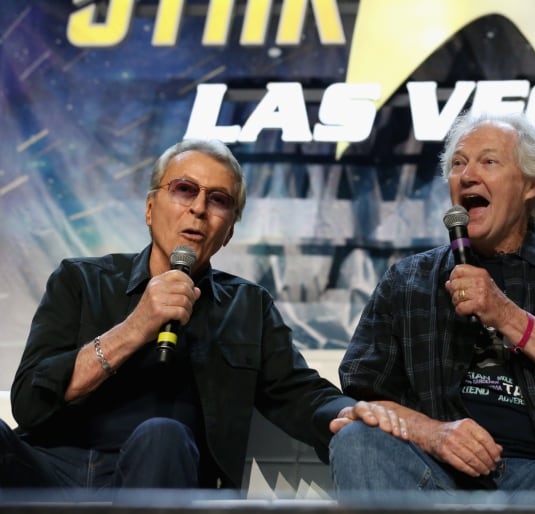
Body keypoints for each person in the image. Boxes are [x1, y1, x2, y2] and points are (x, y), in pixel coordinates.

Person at [0, 139, 405, 501]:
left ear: (228, 231)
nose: (198, 208)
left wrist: (350, 413)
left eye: (218, 200)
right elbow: (29, 402)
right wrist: (136, 327)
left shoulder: (247, 307)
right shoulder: (80, 279)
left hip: (161, 476)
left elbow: (300, 394)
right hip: (49, 472)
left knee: (162, 434)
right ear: (149, 207)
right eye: (184, 190)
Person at [330, 110, 535, 505]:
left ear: (531, 184)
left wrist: (506, 314)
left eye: (488, 161)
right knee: (357, 438)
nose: (468, 174)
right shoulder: (407, 280)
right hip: (438, 482)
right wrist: (433, 434)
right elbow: (366, 400)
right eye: (458, 163)